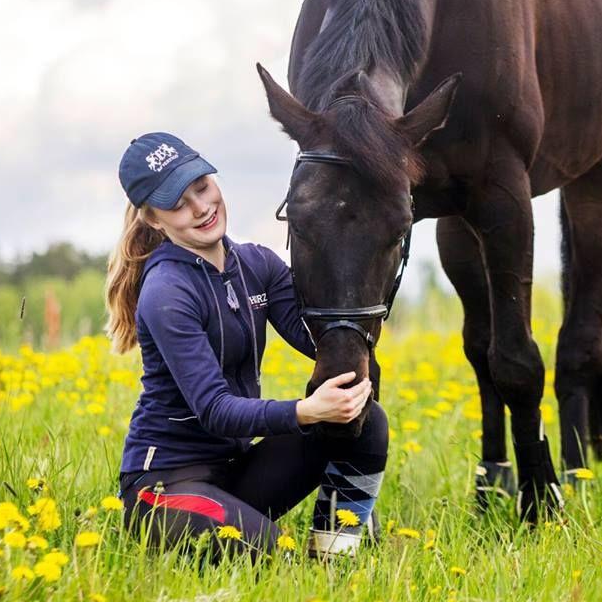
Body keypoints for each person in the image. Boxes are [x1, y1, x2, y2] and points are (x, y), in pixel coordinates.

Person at [105, 131, 389, 560]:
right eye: (178, 203)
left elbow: (322, 340)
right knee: (280, 560)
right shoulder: (167, 291)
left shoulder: (257, 264)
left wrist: (358, 255)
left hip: (234, 476)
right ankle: (294, 559)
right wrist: (305, 411)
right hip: (166, 491)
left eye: (201, 186)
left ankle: (335, 555)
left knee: (367, 423)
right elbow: (215, 410)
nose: (201, 208)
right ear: (152, 218)